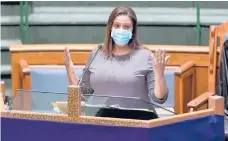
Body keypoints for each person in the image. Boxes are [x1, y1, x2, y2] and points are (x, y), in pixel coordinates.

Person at [64, 6, 169, 111]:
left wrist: (159, 74)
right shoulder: (96, 53)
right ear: (110, 28)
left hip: (138, 121)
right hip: (103, 120)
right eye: (117, 26)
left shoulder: (145, 55)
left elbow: (159, 98)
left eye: (126, 27)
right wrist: (70, 71)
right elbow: (83, 94)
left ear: (133, 31)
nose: (121, 30)